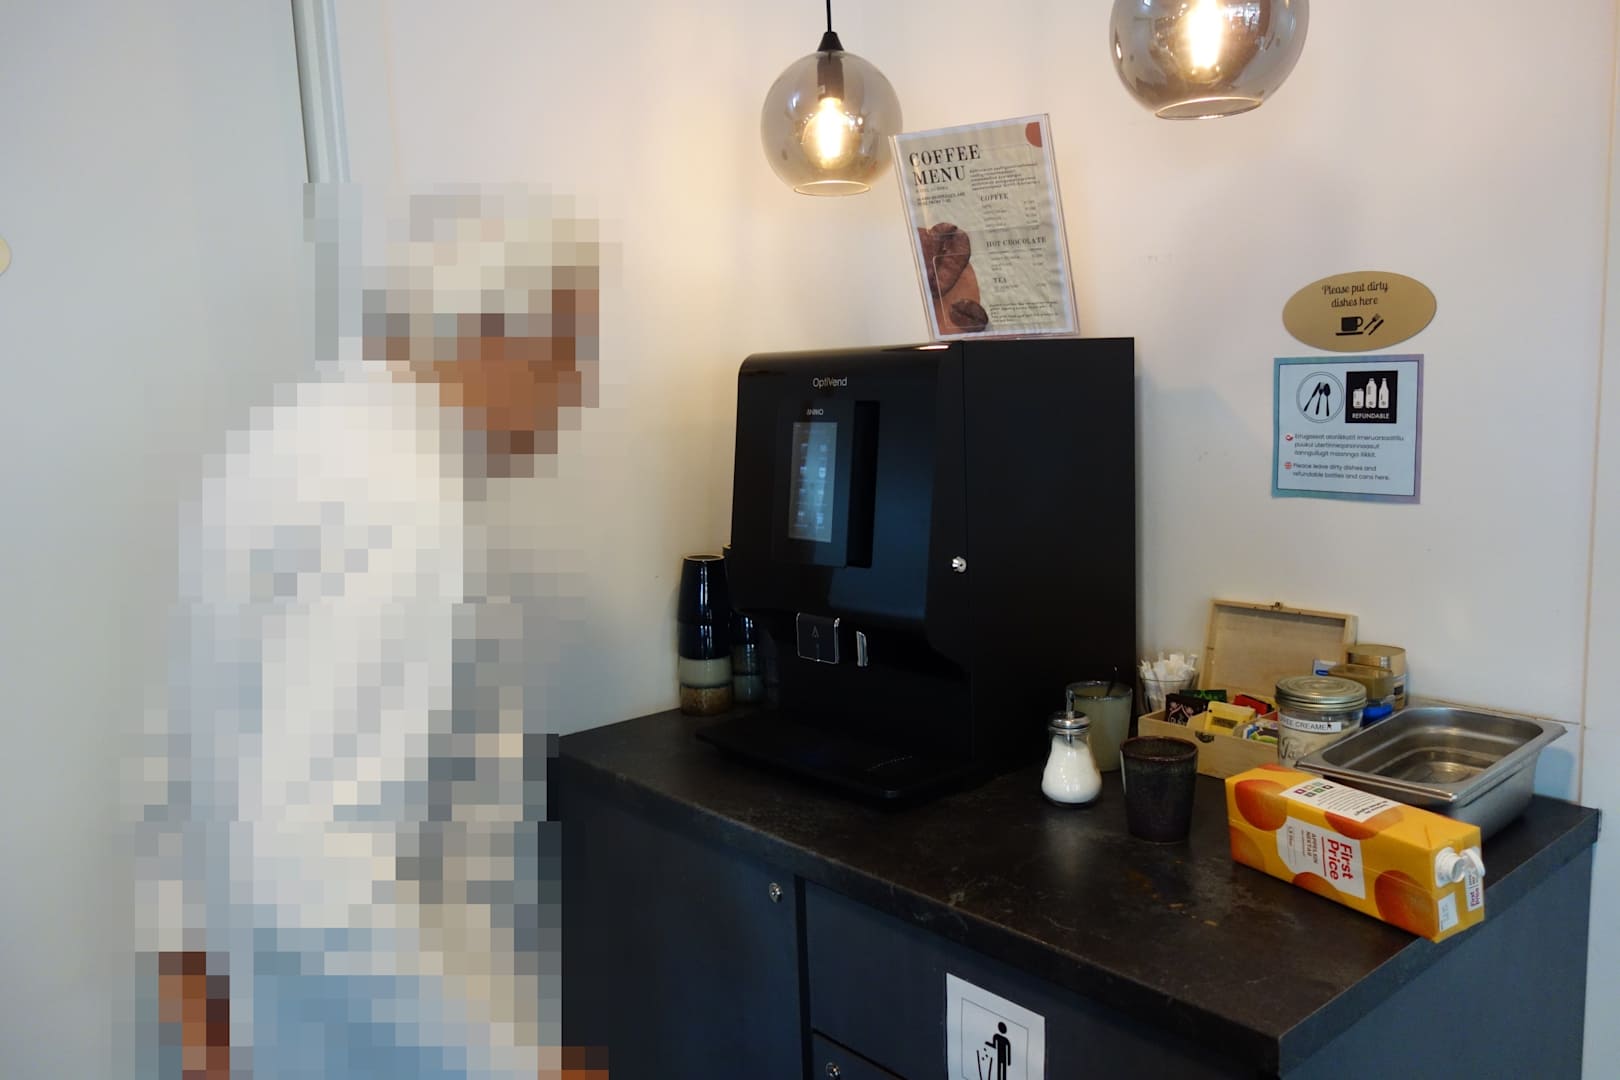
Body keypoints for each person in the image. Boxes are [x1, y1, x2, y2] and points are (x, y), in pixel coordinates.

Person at [133, 187, 601, 1078]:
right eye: (564, 353)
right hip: (381, 1041)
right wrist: (518, 1065)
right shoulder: (404, 504)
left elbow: (184, 742)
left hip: (272, 1015)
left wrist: (189, 987)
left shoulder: (280, 447)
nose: (575, 391)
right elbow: (313, 860)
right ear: (489, 336)